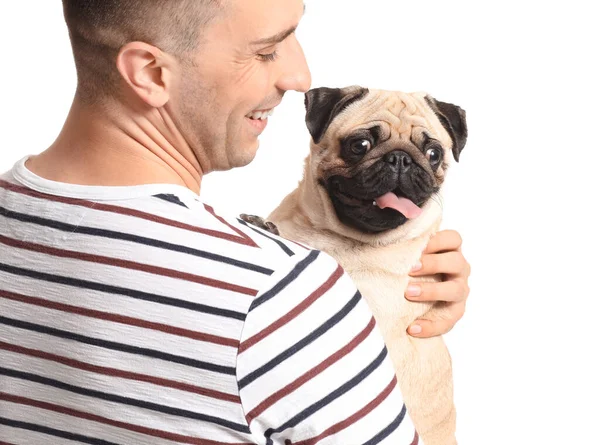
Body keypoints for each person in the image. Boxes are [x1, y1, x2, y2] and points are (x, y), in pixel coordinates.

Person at [0, 0, 471, 443]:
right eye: (266, 51)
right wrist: (325, 317)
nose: (299, 76)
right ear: (150, 72)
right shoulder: (285, 297)